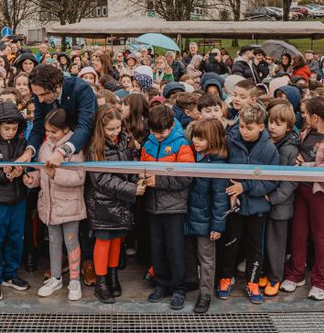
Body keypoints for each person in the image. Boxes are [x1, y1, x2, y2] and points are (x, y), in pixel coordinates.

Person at [281, 97, 324, 301]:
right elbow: (297, 154)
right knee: (299, 233)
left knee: (321, 238)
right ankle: (295, 273)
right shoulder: (306, 133)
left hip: (323, 195)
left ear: (315, 116)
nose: (303, 116)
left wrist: (306, 166)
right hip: (302, 190)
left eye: (305, 113)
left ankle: (321, 282)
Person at [217, 103, 279, 304]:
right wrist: (230, 191)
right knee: (230, 244)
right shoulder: (230, 140)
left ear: (262, 126)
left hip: (257, 207)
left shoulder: (269, 148)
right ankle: (225, 278)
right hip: (234, 206)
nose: (244, 131)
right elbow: (222, 170)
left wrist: (245, 187)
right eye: (242, 126)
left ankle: (252, 281)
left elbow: (271, 180)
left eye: (249, 128)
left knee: (255, 247)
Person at [23, 109, 86, 301]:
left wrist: (55, 175)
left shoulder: (75, 149)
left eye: (54, 132)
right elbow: (42, 174)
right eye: (47, 131)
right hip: (49, 204)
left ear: (65, 130)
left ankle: (74, 280)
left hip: (70, 205)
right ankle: (56, 277)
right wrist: (32, 179)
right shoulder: (44, 147)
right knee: (54, 241)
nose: (49, 135)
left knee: (71, 241)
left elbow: (79, 177)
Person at [86, 105, 143, 303]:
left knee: (117, 239)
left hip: (121, 199)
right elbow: (100, 179)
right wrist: (131, 189)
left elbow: (134, 163)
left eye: (118, 127)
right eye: (110, 129)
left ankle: (112, 276)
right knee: (103, 240)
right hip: (102, 202)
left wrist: (136, 181)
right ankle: (101, 283)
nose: (115, 132)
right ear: (101, 127)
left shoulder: (126, 139)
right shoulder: (95, 146)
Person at [141, 105, 194, 310]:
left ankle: (179, 287)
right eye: (154, 132)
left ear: (171, 126)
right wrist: (142, 179)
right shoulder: (148, 144)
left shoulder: (181, 145)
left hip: (174, 207)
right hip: (153, 206)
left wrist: (159, 181)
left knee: (175, 249)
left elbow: (186, 177)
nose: (158, 136)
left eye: (161, 132)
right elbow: (143, 167)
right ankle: (161, 283)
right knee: (157, 247)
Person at [0, 101, 31, 301]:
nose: (11, 132)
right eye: (6, 128)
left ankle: (10, 274)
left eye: (14, 128)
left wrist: (25, 175)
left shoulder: (22, 145)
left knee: (16, 238)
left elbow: (29, 166)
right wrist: (7, 175)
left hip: (19, 200)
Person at [183, 118, 229, 314]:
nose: (196, 141)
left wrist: (217, 226)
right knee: (191, 254)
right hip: (190, 214)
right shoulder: (193, 155)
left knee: (207, 258)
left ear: (213, 139)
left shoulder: (217, 163)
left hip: (206, 218)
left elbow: (220, 200)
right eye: (195, 137)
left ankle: (205, 294)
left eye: (201, 138)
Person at [19, 64, 97, 168]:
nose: (40, 100)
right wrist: (28, 152)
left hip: (83, 148)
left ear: (57, 87)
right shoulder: (39, 94)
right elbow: (38, 127)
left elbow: (85, 125)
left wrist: (63, 151)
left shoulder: (81, 89)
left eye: (43, 95)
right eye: (36, 95)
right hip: (54, 149)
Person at [262, 102, 299, 298]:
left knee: (276, 243)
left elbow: (289, 181)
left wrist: (273, 197)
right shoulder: (270, 142)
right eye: (270, 122)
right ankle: (266, 273)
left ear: (288, 127)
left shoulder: (289, 149)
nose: (272, 127)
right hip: (267, 201)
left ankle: (275, 277)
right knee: (265, 240)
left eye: (278, 124)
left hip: (280, 204)